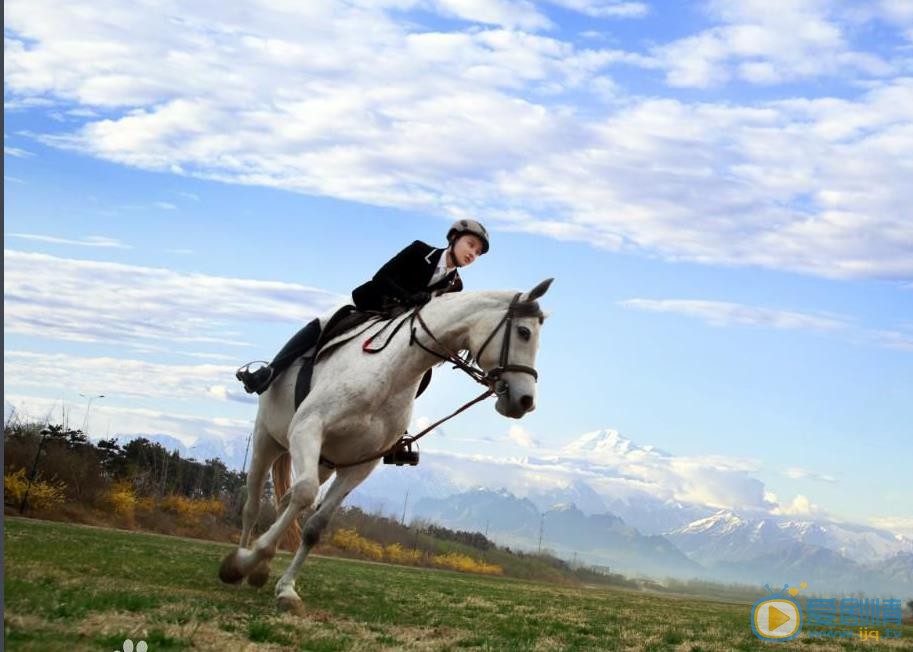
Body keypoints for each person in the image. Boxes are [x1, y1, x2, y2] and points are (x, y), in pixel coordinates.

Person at [236, 219, 490, 395]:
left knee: (420, 370)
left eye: (478, 253)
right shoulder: (419, 250)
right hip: (369, 306)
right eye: (470, 245)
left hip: (399, 326)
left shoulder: (455, 285)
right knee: (322, 323)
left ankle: (395, 429)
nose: (472, 254)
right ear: (454, 238)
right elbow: (381, 277)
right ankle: (269, 372)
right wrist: (408, 297)